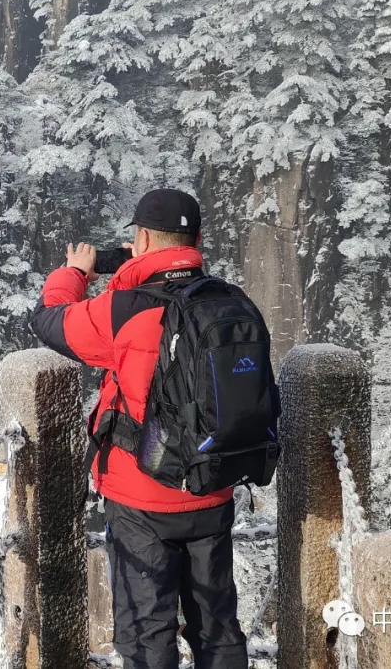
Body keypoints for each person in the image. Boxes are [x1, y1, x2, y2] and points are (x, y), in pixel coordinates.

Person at [30, 188, 248, 669]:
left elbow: (50, 321)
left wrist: (76, 273)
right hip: (212, 486)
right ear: (197, 240)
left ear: (143, 237)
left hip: (141, 497)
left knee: (147, 633)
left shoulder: (124, 309)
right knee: (218, 626)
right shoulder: (228, 300)